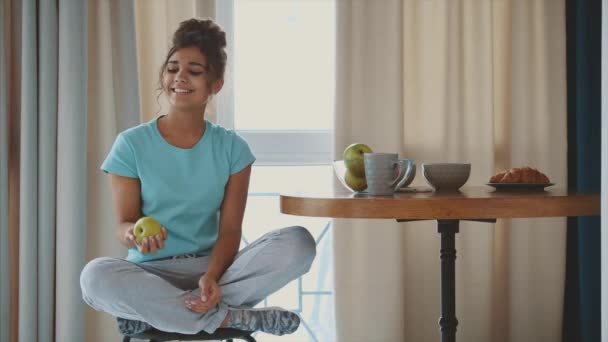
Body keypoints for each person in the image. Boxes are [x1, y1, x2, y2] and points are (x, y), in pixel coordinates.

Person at [80, 18, 316, 337]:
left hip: (212, 272)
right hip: (150, 273)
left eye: (194, 71)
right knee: (94, 277)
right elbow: (124, 223)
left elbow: (230, 231)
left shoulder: (233, 149)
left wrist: (213, 277)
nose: (180, 78)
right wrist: (135, 236)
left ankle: (158, 312)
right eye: (173, 68)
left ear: (215, 84)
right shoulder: (131, 144)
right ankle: (228, 318)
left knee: (298, 242)